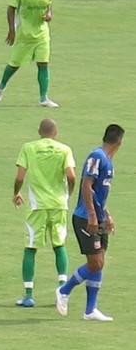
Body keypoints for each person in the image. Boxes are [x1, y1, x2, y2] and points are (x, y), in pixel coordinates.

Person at [55, 124, 125, 321]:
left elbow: (97, 195)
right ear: (119, 142)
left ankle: (90, 310)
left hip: (98, 217)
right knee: (95, 263)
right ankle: (64, 290)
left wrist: (106, 214)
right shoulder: (97, 157)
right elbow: (86, 184)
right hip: (86, 218)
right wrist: (93, 216)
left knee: (99, 263)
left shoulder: (107, 161)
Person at [12, 119, 76, 308]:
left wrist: (16, 193)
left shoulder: (29, 148)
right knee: (59, 244)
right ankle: (62, 291)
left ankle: (28, 295)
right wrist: (68, 194)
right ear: (56, 133)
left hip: (37, 205)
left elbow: (20, 177)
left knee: (31, 247)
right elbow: (71, 176)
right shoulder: (65, 149)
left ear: (39, 131)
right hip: (58, 205)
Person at [0, 0, 58, 107]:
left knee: (43, 64)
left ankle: (44, 98)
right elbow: (11, 8)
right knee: (14, 65)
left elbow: (49, 4)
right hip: (24, 34)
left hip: (42, 34)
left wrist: (49, 15)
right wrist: (11, 30)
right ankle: (1, 86)